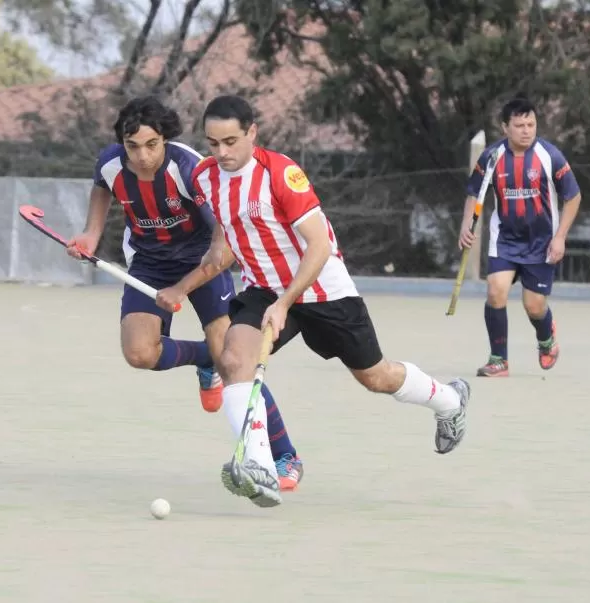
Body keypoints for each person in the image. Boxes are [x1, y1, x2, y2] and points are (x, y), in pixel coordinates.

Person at [190, 95, 471, 508]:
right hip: (262, 287)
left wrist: (286, 301)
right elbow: (226, 218)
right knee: (233, 361)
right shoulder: (204, 177)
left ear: (252, 132)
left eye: (231, 141)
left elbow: (319, 244)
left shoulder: (281, 174)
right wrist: (218, 248)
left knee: (375, 377)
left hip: (323, 289)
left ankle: (449, 400)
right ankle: (261, 470)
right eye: (213, 144)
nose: (222, 153)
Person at [66, 96, 305, 490]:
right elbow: (101, 188)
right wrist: (91, 235)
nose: (142, 156)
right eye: (133, 146)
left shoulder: (190, 169)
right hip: (149, 261)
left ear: (166, 139)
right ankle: (205, 359)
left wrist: (183, 287)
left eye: (152, 145)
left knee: (236, 363)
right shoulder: (110, 163)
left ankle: (284, 454)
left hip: (204, 262)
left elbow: (223, 245)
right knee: (140, 353)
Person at [461, 95, 581, 378]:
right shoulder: (492, 157)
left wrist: (561, 237)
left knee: (534, 305)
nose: (527, 130)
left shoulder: (549, 156)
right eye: (519, 125)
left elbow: (573, 197)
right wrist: (467, 224)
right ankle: (498, 360)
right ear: (505, 127)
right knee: (495, 291)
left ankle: (546, 338)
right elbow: (473, 193)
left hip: (542, 242)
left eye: (531, 124)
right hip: (504, 239)